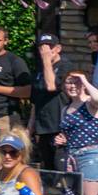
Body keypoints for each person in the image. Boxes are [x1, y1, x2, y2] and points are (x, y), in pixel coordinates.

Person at [58, 71, 98, 195]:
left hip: (90, 156)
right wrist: (62, 139)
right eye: (69, 82)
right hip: (72, 157)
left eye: (77, 82)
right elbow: (69, 134)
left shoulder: (89, 103)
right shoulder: (66, 109)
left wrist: (84, 80)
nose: (73, 86)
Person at [29, 34, 67, 171]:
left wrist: (46, 60)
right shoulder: (40, 71)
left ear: (58, 48)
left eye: (49, 48)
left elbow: (51, 86)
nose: (45, 52)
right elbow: (35, 102)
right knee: (48, 171)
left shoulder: (65, 66)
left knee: (60, 172)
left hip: (59, 128)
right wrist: (30, 129)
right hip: (43, 128)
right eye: (42, 48)